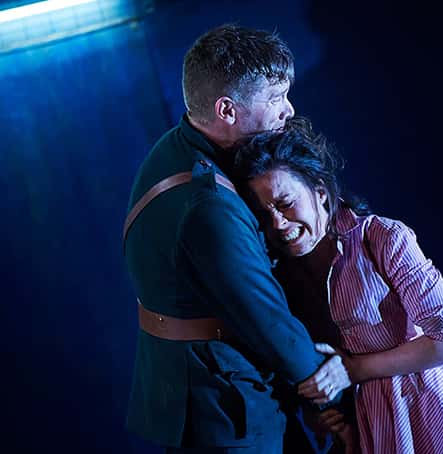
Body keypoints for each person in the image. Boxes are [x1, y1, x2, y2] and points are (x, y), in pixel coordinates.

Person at [233, 121, 443, 453]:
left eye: (285, 203)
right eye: (264, 214)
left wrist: (355, 370)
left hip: (439, 414)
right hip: (372, 427)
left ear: (319, 191)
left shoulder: (382, 238)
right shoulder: (280, 277)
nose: (278, 223)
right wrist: (322, 415)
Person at [123, 24, 350, 453]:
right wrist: (332, 386)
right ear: (227, 110)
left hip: (192, 388)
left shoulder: (174, 148)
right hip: (225, 406)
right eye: (274, 98)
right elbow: (266, 316)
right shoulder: (209, 203)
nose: (288, 110)